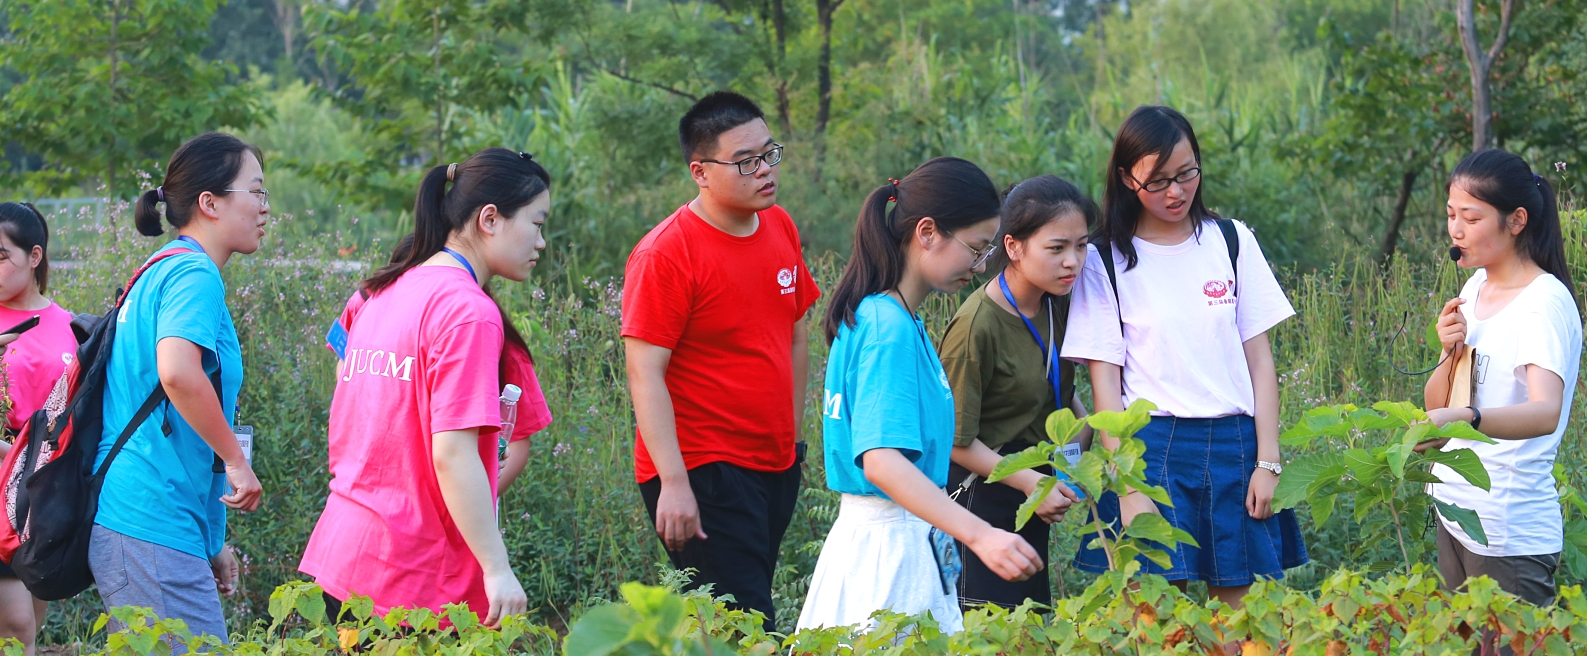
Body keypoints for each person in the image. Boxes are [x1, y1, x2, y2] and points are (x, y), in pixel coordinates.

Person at [1060, 106, 1306, 607]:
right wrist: (1126, 485)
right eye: (1159, 181)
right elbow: (1104, 385)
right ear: (1128, 178)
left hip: (1235, 447)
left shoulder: (1232, 240)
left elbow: (1260, 362)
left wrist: (1269, 461)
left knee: (1244, 624)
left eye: (1187, 173)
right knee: (1155, 621)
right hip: (1150, 451)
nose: (1176, 192)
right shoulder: (1105, 259)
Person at [299, 148, 549, 628]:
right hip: (412, 580)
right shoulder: (468, 312)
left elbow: (349, 388)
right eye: (537, 224)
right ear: (490, 219)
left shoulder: (383, 290)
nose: (542, 241)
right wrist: (497, 568)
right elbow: (452, 453)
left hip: (342, 557)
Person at [797, 157, 1042, 634]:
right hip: (888, 552)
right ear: (927, 232)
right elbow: (882, 461)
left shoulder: (888, 315)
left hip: (895, 540)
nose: (977, 266)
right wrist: (981, 534)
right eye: (973, 248)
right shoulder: (888, 326)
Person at [621, 91, 818, 630]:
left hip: (775, 460)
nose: (764, 170)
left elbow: (795, 335)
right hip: (703, 469)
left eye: (769, 153)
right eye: (745, 161)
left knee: (727, 624)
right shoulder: (666, 253)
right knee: (748, 624)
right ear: (700, 171)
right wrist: (674, 482)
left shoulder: (779, 225)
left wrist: (793, 438)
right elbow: (645, 373)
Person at [89, 132, 268, 643]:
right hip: (150, 519)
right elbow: (177, 373)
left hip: (156, 520)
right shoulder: (195, 274)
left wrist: (210, 539)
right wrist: (237, 460)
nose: (264, 208)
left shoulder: (163, 268)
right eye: (255, 192)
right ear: (210, 203)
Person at [1421, 149, 1581, 607]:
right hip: (1455, 514)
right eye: (1451, 214)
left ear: (1516, 221)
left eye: (1471, 217)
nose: (1455, 230)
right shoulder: (1476, 288)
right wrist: (1448, 352)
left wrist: (1467, 417)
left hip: (1507, 530)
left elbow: (1544, 411)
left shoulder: (1542, 303)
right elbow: (1437, 403)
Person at [939, 176, 1096, 611]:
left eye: (1082, 246)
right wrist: (1031, 481)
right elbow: (954, 440)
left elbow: (1057, 391)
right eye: (1057, 247)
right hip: (983, 498)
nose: (1073, 262)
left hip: (1034, 488)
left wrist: (1078, 450)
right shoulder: (977, 326)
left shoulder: (1056, 302)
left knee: (1032, 627)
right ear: (1013, 247)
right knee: (996, 630)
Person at [323, 234, 550, 491]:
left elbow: (517, 438)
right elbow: (345, 365)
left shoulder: (485, 331)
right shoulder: (368, 300)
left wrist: (474, 502)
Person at [0, 202, 75, 656]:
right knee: (16, 624)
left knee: (30, 623)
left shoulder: (69, 326)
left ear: (35, 256)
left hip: (42, 492)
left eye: (0, 255)